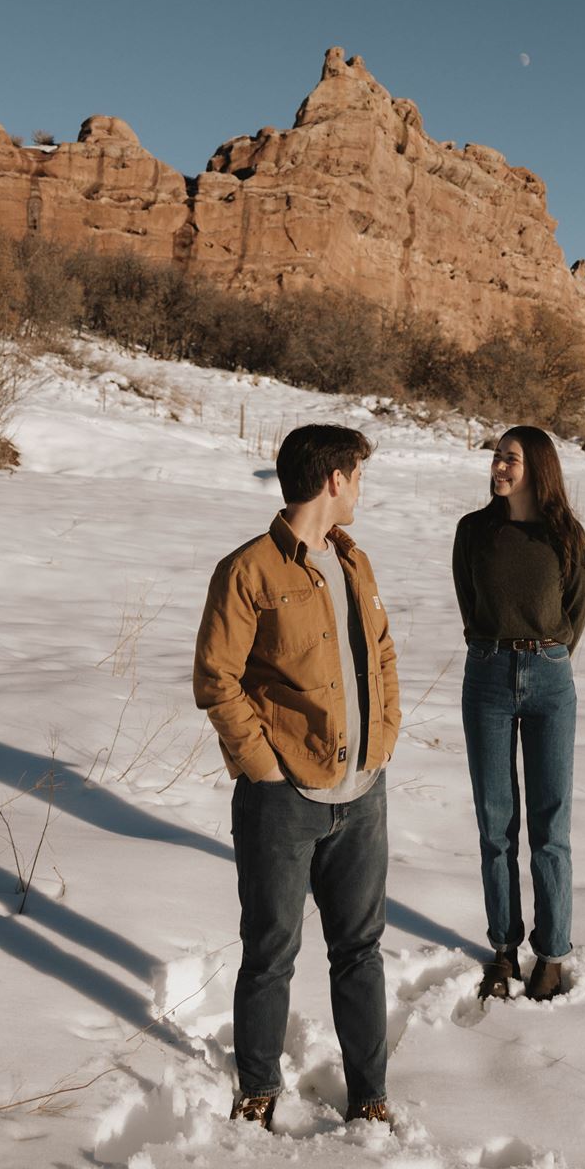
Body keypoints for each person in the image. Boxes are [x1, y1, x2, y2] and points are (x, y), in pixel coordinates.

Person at [193, 423, 400, 1131]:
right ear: (334, 479)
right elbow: (215, 679)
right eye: (357, 477)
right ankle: (257, 1089)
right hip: (282, 799)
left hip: (362, 794)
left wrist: (384, 741)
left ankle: (368, 1096)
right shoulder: (248, 570)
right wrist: (263, 770)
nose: (361, 490)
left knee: (360, 952)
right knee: (271, 950)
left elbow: (382, 653)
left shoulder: (355, 561)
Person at [452, 425, 585, 1004]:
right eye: (495, 456)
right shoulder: (474, 531)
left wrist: (545, 654)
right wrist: (500, 648)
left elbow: (575, 611)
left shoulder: (566, 536)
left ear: (538, 467)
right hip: (486, 675)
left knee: (550, 826)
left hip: (551, 682)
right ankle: (504, 949)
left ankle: (552, 954)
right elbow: (470, 600)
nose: (498, 466)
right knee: (495, 823)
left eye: (510, 458)